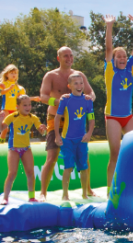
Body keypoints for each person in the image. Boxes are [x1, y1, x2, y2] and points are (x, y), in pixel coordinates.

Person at [39, 46, 95, 200]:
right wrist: (58, 101)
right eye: (65, 56)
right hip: (56, 119)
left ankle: (88, 188)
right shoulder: (51, 75)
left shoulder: (78, 75)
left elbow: (91, 92)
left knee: (84, 157)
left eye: (71, 55)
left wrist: (90, 98)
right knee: (52, 156)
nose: (69, 58)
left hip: (75, 121)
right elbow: (43, 97)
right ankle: (43, 192)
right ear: (59, 58)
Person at [102, 14, 133, 186]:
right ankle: (110, 190)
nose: (122, 58)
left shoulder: (129, 70)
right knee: (115, 153)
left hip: (128, 116)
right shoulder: (110, 71)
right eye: (119, 56)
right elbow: (108, 49)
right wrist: (109, 26)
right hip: (112, 116)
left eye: (124, 56)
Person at [0, 94, 46, 204]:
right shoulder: (12, 117)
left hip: (26, 148)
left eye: (29, 105)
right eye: (24, 105)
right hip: (14, 148)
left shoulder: (33, 118)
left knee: (30, 172)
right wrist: (0, 120)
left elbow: (42, 132)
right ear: (17, 106)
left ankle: (31, 197)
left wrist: (43, 130)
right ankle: (5, 197)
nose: (28, 107)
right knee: (12, 173)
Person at [55, 73, 95, 201]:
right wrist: (57, 136)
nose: (79, 86)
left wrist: (89, 134)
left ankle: (84, 193)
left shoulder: (87, 101)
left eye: (81, 83)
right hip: (67, 139)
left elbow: (92, 119)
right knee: (68, 167)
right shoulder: (65, 100)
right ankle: (65, 194)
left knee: (84, 166)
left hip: (82, 139)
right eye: (76, 83)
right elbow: (57, 118)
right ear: (70, 86)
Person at [0, 65, 40, 144]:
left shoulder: (19, 88)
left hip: (15, 110)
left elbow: (23, 99)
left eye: (15, 73)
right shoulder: (4, 84)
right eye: (11, 73)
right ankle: (1, 142)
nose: (13, 74)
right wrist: (7, 88)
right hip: (6, 109)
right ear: (7, 75)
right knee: (5, 128)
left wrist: (33, 98)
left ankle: (14, 142)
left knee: (15, 127)